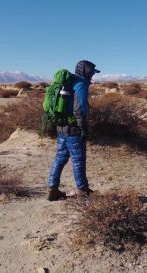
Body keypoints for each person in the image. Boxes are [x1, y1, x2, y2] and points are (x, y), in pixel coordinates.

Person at [48, 60, 100, 201]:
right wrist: (83, 128)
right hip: (74, 129)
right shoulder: (81, 83)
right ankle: (83, 190)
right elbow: (80, 108)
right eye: (92, 73)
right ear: (87, 71)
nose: (92, 76)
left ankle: (52, 189)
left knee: (60, 158)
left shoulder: (68, 81)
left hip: (61, 127)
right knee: (78, 160)